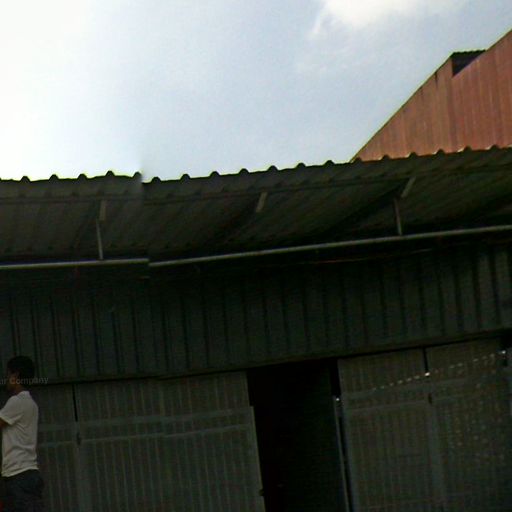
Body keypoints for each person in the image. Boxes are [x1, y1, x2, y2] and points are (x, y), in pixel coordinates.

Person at [0, 356, 44, 512]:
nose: (6, 379)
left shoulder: (16, 402)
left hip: (18, 475)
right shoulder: (31, 404)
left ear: (15, 375)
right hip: (28, 474)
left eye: (8, 374)